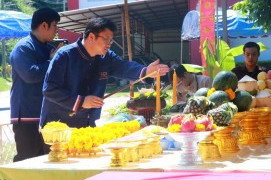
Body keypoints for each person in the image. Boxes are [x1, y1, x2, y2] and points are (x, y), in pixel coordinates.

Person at [40, 17, 169, 128]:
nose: (109, 44)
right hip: (58, 126)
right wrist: (81, 101)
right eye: (106, 39)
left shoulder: (106, 57)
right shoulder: (64, 55)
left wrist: (146, 71)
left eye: (111, 40)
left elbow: (124, 67)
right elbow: (50, 89)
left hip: (88, 124)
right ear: (91, 36)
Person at [10, 8, 61, 162]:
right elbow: (30, 75)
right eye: (54, 26)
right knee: (28, 162)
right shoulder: (23, 47)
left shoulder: (49, 49)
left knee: (48, 161)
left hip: (47, 115)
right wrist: (52, 61)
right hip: (27, 115)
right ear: (44, 26)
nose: (56, 31)